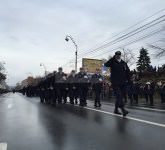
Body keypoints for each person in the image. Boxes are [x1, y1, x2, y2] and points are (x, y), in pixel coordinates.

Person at [104, 51, 130, 116]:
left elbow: (128, 72)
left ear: (120, 55)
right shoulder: (112, 62)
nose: (118, 56)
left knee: (121, 96)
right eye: (116, 55)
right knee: (119, 95)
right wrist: (112, 58)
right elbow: (105, 65)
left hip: (123, 82)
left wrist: (129, 81)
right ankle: (123, 109)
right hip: (115, 82)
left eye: (119, 55)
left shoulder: (124, 63)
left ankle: (116, 109)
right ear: (115, 55)